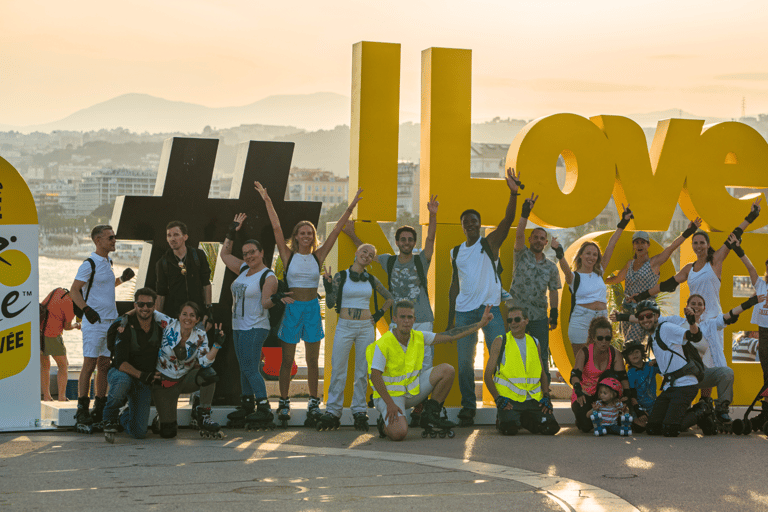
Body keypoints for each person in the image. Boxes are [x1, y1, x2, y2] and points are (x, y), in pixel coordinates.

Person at [254, 181, 363, 426]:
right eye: (302, 233)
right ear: (296, 236)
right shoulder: (288, 255)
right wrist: (267, 200)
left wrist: (352, 206)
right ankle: (284, 402)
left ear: (313, 237)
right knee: (287, 360)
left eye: (310, 233)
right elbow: (276, 227)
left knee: (313, 361)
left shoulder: (318, 256)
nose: (306, 236)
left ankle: (314, 401)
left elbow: (336, 232)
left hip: (312, 309)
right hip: (292, 310)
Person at [616, 290, 764, 432]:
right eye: (693, 303)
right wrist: (621, 317)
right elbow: (645, 319)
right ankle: (701, 414)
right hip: (679, 376)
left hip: (700, 371)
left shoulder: (710, 324)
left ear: (704, 308)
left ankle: (721, 410)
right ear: (687, 306)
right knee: (673, 423)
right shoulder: (676, 322)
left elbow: (730, 315)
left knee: (726, 373)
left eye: (700, 304)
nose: (696, 306)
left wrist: (750, 302)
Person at [630, 198, 761, 350]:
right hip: (694, 320)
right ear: (692, 245)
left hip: (713, 319)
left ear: (708, 245)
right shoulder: (688, 269)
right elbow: (666, 285)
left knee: (714, 357)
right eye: (695, 243)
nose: (699, 246)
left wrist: (751, 216)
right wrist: (640, 296)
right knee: (695, 357)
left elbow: (734, 235)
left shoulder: (715, 261)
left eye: (702, 243)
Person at [447, 167, 521, 426]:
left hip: (490, 311)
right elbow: (454, 286)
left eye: (474, 221)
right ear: (462, 226)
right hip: (464, 313)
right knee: (465, 364)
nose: (470, 224)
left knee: (498, 357)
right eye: (466, 221)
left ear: (479, 224)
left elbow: (507, 221)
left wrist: (513, 194)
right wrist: (450, 320)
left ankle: (503, 404)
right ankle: (469, 407)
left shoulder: (489, 244)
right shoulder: (455, 252)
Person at [369, 300, 494, 441]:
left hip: (411, 391)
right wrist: (389, 404)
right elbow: (375, 376)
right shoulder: (384, 343)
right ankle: (383, 425)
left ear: (414, 319)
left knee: (447, 370)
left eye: (409, 317)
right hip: (390, 397)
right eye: (402, 317)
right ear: (395, 319)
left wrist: (480, 324)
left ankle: (430, 415)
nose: (406, 321)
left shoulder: (419, 337)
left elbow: (451, 335)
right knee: (399, 433)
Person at [341, 195, 439, 367]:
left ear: (414, 242)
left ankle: (423, 387)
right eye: (403, 239)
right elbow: (366, 253)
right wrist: (351, 234)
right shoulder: (389, 261)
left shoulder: (421, 260)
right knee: (396, 364)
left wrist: (432, 215)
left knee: (423, 365)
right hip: (398, 321)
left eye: (410, 239)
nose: (407, 243)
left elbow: (430, 239)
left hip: (422, 321)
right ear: (397, 242)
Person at [219, 221, 293, 428]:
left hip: (255, 326)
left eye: (253, 252)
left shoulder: (268, 276)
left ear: (261, 253)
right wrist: (231, 232)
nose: (249, 256)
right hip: (238, 326)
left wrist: (277, 298)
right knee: (244, 368)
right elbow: (224, 255)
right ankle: (247, 404)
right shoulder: (244, 270)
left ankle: (263, 407)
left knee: (250, 368)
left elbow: (265, 303)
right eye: (245, 253)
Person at [320, 244, 393, 431]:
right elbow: (330, 303)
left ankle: (360, 410)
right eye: (364, 251)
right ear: (356, 253)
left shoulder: (371, 279)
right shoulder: (341, 276)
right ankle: (333, 411)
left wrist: (378, 314)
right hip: (344, 326)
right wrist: (328, 285)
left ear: (372, 259)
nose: (366, 255)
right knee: (338, 369)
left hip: (366, 328)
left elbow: (390, 298)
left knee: (362, 371)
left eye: (371, 254)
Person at [70, 225, 135, 428]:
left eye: (114, 237)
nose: (114, 241)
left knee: (104, 365)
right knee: (89, 364)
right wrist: (86, 310)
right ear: (98, 240)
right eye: (110, 238)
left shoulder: (108, 262)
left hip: (110, 322)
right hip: (94, 322)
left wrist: (122, 279)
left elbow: (104, 286)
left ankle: (99, 407)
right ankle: (82, 409)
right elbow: (74, 290)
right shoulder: (89, 264)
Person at [551, 204, 630, 357]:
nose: (591, 257)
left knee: (601, 359)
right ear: (580, 255)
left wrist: (623, 223)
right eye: (588, 253)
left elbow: (611, 245)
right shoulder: (574, 277)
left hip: (601, 318)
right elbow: (565, 268)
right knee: (582, 360)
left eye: (595, 254)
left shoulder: (600, 272)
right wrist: (559, 252)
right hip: (581, 319)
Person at [606, 217, 701, 342]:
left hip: (644, 311)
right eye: (637, 242)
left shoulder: (654, 263)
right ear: (633, 245)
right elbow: (617, 279)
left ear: (648, 245)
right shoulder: (630, 264)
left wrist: (689, 231)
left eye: (643, 242)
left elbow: (672, 247)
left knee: (632, 342)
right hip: (627, 308)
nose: (640, 245)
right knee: (628, 344)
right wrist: (599, 278)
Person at [149, 302, 224, 438]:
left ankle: (204, 415)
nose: (187, 318)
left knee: (209, 375)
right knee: (168, 432)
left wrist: (217, 345)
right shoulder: (169, 324)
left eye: (192, 315)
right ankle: (161, 418)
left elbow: (205, 362)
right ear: (179, 316)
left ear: (197, 320)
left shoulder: (200, 335)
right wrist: (123, 319)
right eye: (184, 314)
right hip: (165, 381)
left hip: (184, 379)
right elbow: (147, 310)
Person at [632, 299, 705, 437]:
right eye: (641, 317)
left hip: (685, 384)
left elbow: (694, 336)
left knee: (670, 429)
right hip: (670, 386)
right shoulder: (652, 336)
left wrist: (691, 322)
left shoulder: (665, 328)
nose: (645, 320)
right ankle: (676, 415)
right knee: (652, 428)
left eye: (649, 315)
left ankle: (703, 410)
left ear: (656, 316)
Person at [509, 194, 561, 383]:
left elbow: (553, 290)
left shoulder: (551, 267)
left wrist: (553, 313)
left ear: (546, 243)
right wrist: (525, 213)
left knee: (541, 355)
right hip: (516, 315)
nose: (539, 240)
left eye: (542, 238)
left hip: (539, 317)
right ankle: (514, 391)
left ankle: (544, 393)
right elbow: (519, 234)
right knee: (514, 353)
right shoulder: (520, 255)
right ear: (530, 239)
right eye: (536, 237)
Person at [484, 306, 559, 436]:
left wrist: (546, 396)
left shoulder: (535, 342)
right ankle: (508, 420)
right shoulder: (500, 341)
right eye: (510, 320)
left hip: (533, 400)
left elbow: (542, 373)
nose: (513, 323)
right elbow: (487, 375)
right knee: (509, 430)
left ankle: (524, 419)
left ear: (526, 320)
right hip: (509, 401)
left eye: (517, 319)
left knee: (552, 428)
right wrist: (498, 399)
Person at [100, 288, 163, 440]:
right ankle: (109, 418)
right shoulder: (124, 327)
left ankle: (124, 414)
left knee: (139, 433)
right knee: (122, 381)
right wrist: (143, 375)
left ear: (154, 306)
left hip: (143, 381)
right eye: (141, 304)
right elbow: (121, 363)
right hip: (122, 373)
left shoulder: (160, 328)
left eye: (149, 304)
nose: (145, 308)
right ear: (135, 305)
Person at [569, 316, 628, 433]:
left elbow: (622, 377)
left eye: (607, 338)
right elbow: (574, 375)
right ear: (593, 338)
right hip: (585, 394)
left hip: (604, 394)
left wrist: (626, 395)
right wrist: (578, 390)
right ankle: (581, 419)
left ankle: (607, 416)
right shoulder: (584, 352)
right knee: (586, 426)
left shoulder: (614, 353)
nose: (604, 342)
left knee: (610, 374)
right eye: (600, 338)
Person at [155, 220, 214, 327]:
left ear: (185, 237)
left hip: (197, 317)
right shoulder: (163, 262)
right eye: (169, 235)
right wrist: (157, 318)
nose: (172, 239)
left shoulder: (198, 256)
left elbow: (206, 284)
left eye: (176, 235)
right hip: (174, 319)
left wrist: (209, 311)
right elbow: (161, 293)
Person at [732, 237, 768, 385]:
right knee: (766, 369)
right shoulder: (760, 284)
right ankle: (766, 397)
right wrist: (738, 249)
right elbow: (750, 267)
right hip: (763, 332)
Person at [40, 287, 79, 402]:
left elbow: (42, 305)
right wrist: (76, 325)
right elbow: (67, 327)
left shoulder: (57, 291)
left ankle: (46, 397)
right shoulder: (70, 305)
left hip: (39, 332)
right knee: (63, 365)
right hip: (52, 336)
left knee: (45, 366)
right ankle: (61, 397)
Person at [621, 339, 659, 432]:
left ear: (642, 353)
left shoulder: (650, 366)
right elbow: (632, 393)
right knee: (639, 427)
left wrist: (656, 361)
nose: (634, 355)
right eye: (631, 353)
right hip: (639, 405)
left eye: (637, 352)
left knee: (657, 425)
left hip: (653, 405)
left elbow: (664, 367)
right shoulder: (631, 373)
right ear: (627, 357)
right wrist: (639, 411)